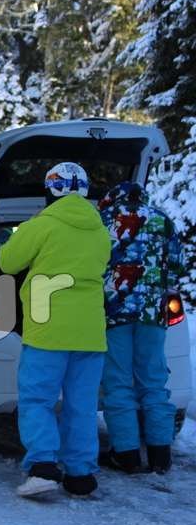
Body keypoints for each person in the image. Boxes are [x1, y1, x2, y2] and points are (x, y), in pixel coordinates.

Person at [0, 163, 110, 498]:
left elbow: (7, 262)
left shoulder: (43, 225)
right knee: (82, 404)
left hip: (48, 325)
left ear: (51, 190)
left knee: (38, 399)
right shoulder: (100, 229)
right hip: (90, 330)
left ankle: (43, 466)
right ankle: (80, 474)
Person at [98, 181, 184, 474]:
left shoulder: (105, 221)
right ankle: (161, 455)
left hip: (114, 313)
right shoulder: (162, 219)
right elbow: (177, 266)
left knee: (118, 384)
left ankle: (127, 454)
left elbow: (93, 263)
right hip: (153, 314)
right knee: (154, 383)